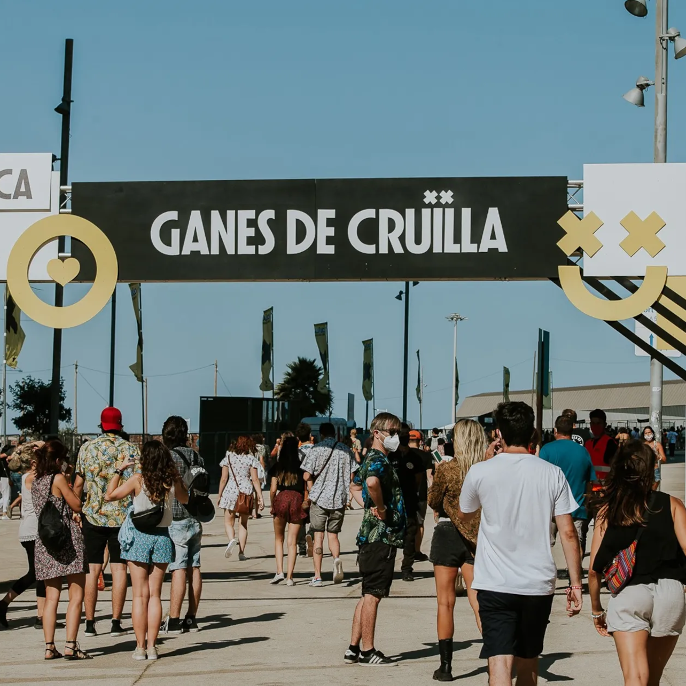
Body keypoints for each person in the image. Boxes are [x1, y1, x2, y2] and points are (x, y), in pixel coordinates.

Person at [458, 402, 583, 686]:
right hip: (536, 584)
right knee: (528, 664)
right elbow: (568, 533)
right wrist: (575, 584)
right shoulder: (551, 473)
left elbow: (464, 514)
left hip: (494, 583)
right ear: (533, 434)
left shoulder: (480, 472)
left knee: (499, 666)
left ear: (498, 433)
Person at [588, 440, 686, 686]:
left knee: (635, 678)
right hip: (670, 593)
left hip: (630, 593)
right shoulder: (672, 505)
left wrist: (597, 609)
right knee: (652, 679)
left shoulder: (608, 510)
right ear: (651, 469)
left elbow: (594, 570)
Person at [106, 440, 188, 660]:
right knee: (155, 595)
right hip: (162, 537)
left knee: (139, 595)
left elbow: (110, 495)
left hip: (139, 539)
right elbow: (185, 499)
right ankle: (152, 646)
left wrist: (119, 469)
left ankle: (140, 647)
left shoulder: (137, 480)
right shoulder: (169, 481)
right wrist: (177, 478)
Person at [428, 419, 490, 681]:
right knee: (480, 603)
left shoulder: (448, 468)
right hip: (477, 538)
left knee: (445, 602)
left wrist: (435, 476)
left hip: (447, 533)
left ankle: (445, 667)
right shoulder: (486, 469)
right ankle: (495, 656)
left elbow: (433, 500)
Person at [73, 407, 141, 638]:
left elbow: (79, 484)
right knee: (119, 568)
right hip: (122, 518)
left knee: (92, 569)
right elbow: (137, 483)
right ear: (120, 425)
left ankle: (90, 623)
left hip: (93, 515)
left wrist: (76, 510)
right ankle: (115, 622)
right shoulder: (130, 449)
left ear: (100, 425)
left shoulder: (86, 448)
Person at [346, 412, 406, 666]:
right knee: (373, 594)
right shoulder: (378, 461)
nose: (396, 437)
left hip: (371, 536)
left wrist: (367, 505)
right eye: (392, 432)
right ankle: (368, 650)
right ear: (377, 433)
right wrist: (380, 509)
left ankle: (353, 648)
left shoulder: (371, 459)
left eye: (398, 433)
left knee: (366, 592)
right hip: (381, 537)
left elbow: (355, 486)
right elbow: (370, 483)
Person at [32, 440, 90, 660]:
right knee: (76, 595)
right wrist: (70, 478)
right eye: (63, 459)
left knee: (51, 596)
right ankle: (71, 645)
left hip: (45, 543)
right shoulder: (58, 479)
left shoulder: (36, 481)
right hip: (67, 541)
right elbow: (76, 505)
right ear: (57, 460)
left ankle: (49, 647)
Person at [160, 416, 206, 635]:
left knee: (177, 567)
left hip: (174, 517)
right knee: (194, 567)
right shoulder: (197, 456)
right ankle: (191, 618)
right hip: (195, 517)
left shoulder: (166, 457)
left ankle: (174, 619)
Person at [301, 422, 358, 586]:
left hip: (319, 498)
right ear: (335, 433)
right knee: (333, 535)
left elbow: (306, 476)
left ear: (321, 434)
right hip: (339, 498)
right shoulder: (345, 450)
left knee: (318, 536)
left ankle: (317, 576)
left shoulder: (316, 449)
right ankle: (336, 559)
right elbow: (352, 474)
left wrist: (312, 488)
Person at [540, 415, 597, 568]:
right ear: (572, 431)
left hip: (550, 508)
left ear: (555, 430)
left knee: (544, 545)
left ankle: (544, 574)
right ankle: (575, 580)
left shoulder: (546, 450)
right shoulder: (583, 451)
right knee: (574, 545)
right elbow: (590, 480)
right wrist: (587, 498)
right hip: (576, 507)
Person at [0, 445, 47, 629]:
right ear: (33, 462)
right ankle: (6, 604)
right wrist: (39, 448)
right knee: (37, 574)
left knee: (38, 574)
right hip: (33, 531)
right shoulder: (31, 477)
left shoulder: (29, 476)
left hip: (31, 530)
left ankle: (40, 615)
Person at [268, 436, 307, 585]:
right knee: (292, 542)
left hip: (281, 498)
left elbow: (272, 490)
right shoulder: (301, 466)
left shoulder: (278, 466)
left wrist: (273, 505)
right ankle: (290, 577)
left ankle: (279, 572)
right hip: (297, 499)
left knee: (279, 539)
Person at [218, 435, 263, 560]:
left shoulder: (228, 458)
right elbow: (255, 479)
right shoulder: (251, 459)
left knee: (228, 522)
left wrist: (220, 494)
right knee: (243, 524)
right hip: (246, 491)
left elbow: (223, 479)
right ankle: (241, 553)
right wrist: (260, 496)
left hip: (230, 491)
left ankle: (232, 539)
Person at [388, 424, 423, 581]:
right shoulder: (390, 456)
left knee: (410, 538)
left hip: (409, 503)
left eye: (405, 434)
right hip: (392, 505)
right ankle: (387, 568)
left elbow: (418, 479)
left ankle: (407, 568)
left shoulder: (415, 457)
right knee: (390, 538)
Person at [409, 429, 433, 561]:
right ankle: (417, 551)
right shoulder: (426, 456)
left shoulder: (403, 455)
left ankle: (407, 550)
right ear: (419, 441)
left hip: (405, 493)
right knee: (419, 523)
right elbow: (430, 476)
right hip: (421, 493)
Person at [295, 422, 314, 557]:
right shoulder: (317, 450)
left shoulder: (297, 452)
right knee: (315, 516)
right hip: (315, 486)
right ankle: (312, 535)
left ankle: (301, 546)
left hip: (300, 487)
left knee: (300, 518)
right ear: (310, 435)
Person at [585, 409, 617, 485]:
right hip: (589, 489)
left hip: (604, 489)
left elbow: (615, 468)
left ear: (604, 424)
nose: (595, 426)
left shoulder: (610, 443)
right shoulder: (587, 443)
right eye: (593, 423)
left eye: (598, 423)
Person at [642, 426, 667, 492]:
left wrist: (659, 457)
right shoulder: (643, 445)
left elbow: (664, 459)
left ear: (652, 433)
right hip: (644, 471)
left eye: (649, 432)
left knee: (653, 492)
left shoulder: (657, 444)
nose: (647, 434)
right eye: (646, 433)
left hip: (654, 470)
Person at [0, 444, 11, 520]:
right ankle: (5, 513)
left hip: (1, 477)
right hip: (5, 476)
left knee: (3, 495)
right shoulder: (5, 459)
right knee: (6, 495)